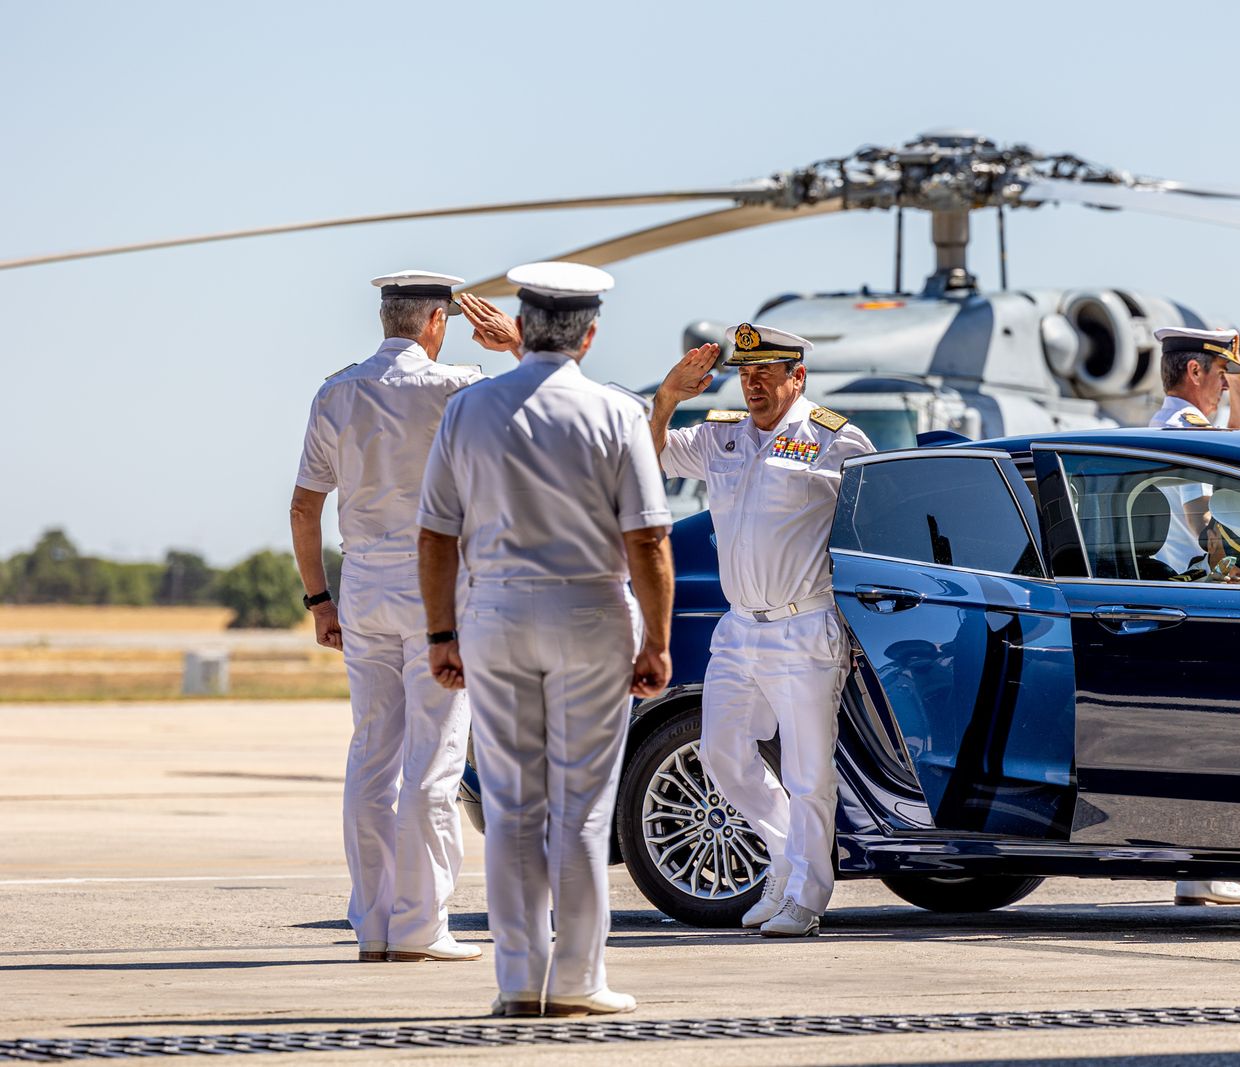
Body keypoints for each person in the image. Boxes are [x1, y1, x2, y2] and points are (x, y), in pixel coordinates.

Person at [416, 262, 674, 1018]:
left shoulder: (468, 409)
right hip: (591, 612)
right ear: (589, 335)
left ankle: (518, 978)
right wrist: (656, 639)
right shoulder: (617, 412)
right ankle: (577, 979)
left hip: (494, 614)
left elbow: (435, 534)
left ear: (521, 329)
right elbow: (650, 537)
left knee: (512, 802)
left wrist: (440, 632)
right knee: (583, 807)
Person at [649, 322, 873, 937]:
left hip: (804, 627)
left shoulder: (833, 440)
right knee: (722, 754)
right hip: (739, 628)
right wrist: (668, 398)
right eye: (745, 373)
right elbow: (646, 455)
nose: (752, 384)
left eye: (766, 373)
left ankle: (807, 894)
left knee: (807, 773)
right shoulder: (721, 434)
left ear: (796, 376)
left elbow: (879, 518)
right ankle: (784, 862)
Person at [289, 269, 484, 964]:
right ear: (435, 321)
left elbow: (304, 507)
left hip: (362, 583)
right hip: (435, 585)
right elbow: (535, 407)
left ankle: (373, 920)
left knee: (372, 755)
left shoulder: (336, 390)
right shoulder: (457, 386)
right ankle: (421, 923)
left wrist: (320, 600)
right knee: (434, 758)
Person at [1146, 326, 1240, 907]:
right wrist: (1238, 569)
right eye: (1222, 376)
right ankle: (1201, 870)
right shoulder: (1186, 433)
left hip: (1175, 594)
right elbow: (1200, 516)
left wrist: (1239, 374)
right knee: (1211, 738)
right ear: (1196, 373)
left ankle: (1196, 872)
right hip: (1194, 592)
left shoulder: (1169, 425)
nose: (1226, 388)